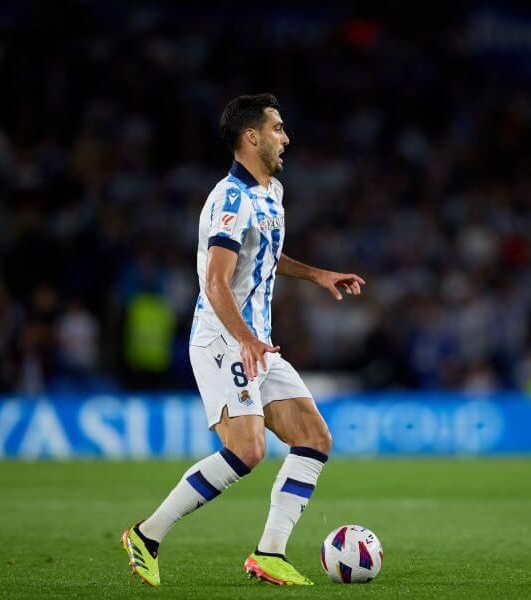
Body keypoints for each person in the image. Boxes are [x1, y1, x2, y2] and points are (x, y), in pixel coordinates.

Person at [121, 93, 365, 587]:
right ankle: (146, 535)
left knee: (314, 439)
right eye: (278, 128)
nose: (286, 137)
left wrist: (318, 275)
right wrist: (246, 341)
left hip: (256, 340)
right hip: (222, 338)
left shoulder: (270, 192)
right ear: (251, 137)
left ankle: (269, 553)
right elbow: (215, 282)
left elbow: (268, 257)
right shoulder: (229, 199)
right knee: (248, 450)